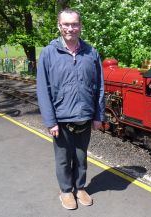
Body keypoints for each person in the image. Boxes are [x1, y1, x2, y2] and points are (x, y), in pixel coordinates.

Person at [36, 8, 105, 210]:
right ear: (59, 26)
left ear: (80, 26)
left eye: (74, 24)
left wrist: (98, 115)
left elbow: (100, 86)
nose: (70, 28)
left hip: (84, 115)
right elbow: (42, 89)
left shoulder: (91, 52)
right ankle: (66, 191)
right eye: (66, 24)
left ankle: (80, 188)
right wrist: (50, 121)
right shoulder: (49, 53)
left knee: (81, 157)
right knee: (64, 159)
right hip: (61, 117)